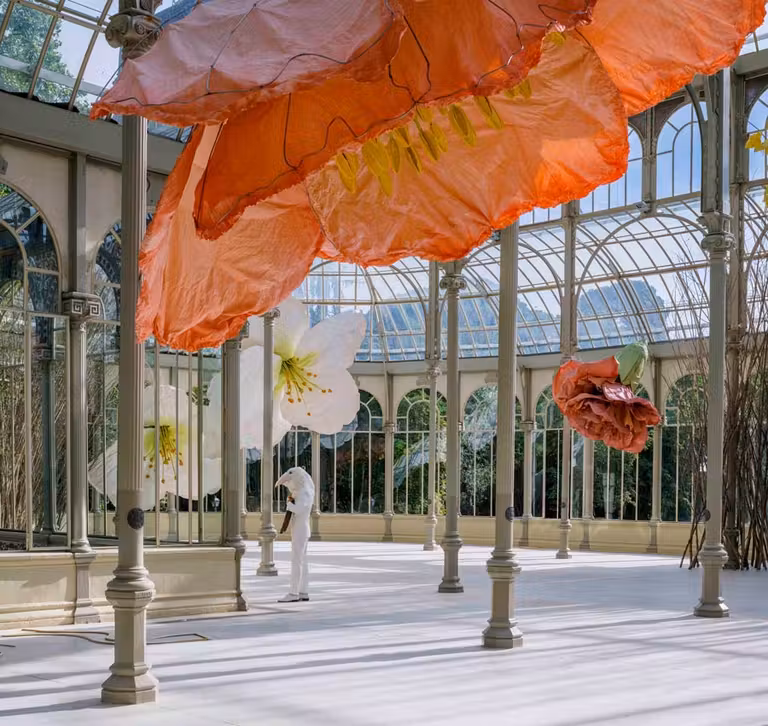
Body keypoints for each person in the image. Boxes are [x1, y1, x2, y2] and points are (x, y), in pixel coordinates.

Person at [274, 467, 315, 603]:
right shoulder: (304, 491)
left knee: (296, 561)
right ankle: (303, 591)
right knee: (302, 561)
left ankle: (293, 593)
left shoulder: (303, 492)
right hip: (301, 528)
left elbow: (300, 508)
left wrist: (289, 505)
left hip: (300, 530)